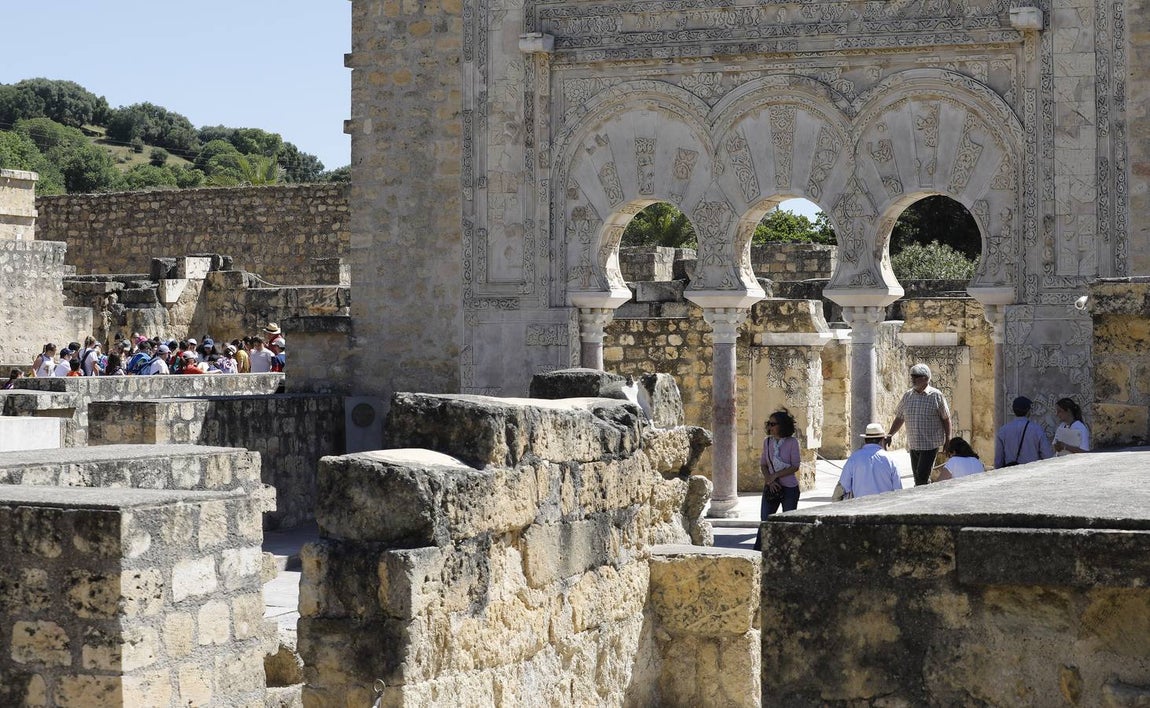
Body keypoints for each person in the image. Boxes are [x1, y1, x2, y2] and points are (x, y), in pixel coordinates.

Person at [887, 363, 952, 486]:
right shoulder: (908, 395)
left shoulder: (936, 395)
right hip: (914, 444)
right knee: (918, 478)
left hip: (929, 444)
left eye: (916, 376)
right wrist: (890, 434)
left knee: (922, 477)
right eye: (912, 376)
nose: (912, 379)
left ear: (926, 378)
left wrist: (948, 439)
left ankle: (923, 501)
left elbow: (946, 418)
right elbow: (900, 417)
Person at [753, 409, 801, 552]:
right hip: (771, 487)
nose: (770, 427)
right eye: (769, 424)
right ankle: (758, 553)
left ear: (782, 425)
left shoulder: (792, 442)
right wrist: (770, 480)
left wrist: (776, 475)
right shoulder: (767, 442)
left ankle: (787, 552)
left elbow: (795, 466)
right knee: (765, 521)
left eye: (773, 424)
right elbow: (763, 464)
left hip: (789, 488)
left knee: (788, 523)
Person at [836, 423, 904, 500]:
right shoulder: (890, 460)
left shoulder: (854, 458)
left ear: (865, 440)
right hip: (884, 507)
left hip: (860, 507)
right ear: (882, 440)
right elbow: (898, 490)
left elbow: (843, 486)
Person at [994, 396, 1053, 467]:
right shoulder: (1037, 429)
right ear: (1028, 410)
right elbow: (1047, 455)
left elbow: (998, 459)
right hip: (1031, 471)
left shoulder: (1003, 430)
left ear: (1013, 410)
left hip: (1010, 472)